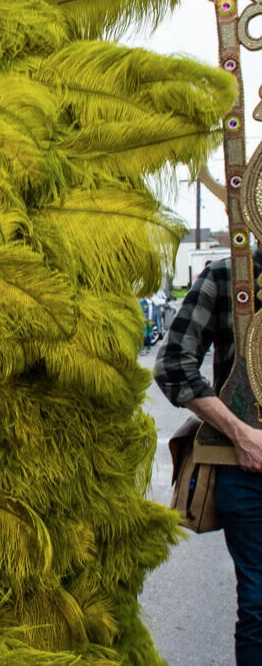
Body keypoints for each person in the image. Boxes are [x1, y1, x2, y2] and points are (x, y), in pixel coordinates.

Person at [155, 250, 262, 665]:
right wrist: (240, 434)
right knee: (258, 608)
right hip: (250, 470)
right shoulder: (224, 277)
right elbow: (173, 365)